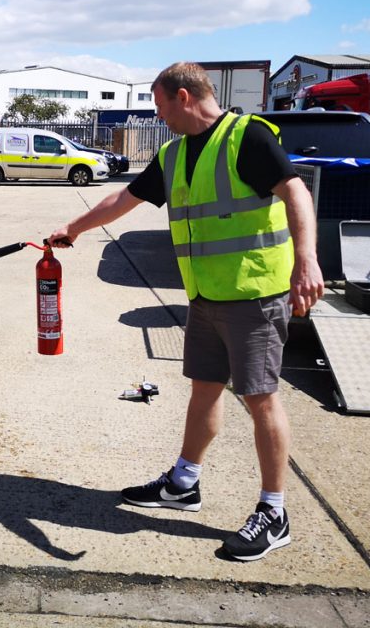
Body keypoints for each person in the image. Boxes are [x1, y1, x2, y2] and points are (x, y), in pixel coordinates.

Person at [48, 62, 324, 562]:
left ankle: (274, 511)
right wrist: (75, 227)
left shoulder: (248, 138)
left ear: (182, 96)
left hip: (254, 296)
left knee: (260, 399)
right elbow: (122, 199)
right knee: (204, 391)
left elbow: (296, 192)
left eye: (159, 106)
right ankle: (183, 483)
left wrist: (307, 260)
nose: (159, 117)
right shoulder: (173, 154)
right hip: (204, 296)